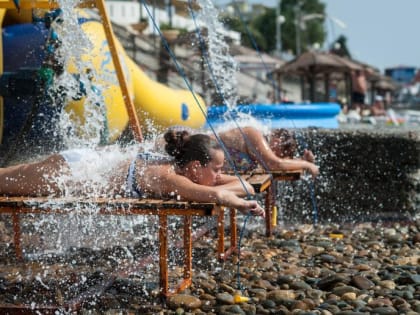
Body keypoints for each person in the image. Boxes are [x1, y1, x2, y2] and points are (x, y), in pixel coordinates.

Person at [0, 130, 265, 217]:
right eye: (216, 169)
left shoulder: (179, 170)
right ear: (196, 167)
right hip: (67, 174)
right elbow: (216, 194)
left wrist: (244, 191)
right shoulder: (168, 177)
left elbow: (241, 185)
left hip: (81, 164)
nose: (220, 175)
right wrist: (243, 202)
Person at [156, 126, 319, 178]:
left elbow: (275, 162)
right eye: (285, 150)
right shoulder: (254, 134)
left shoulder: (261, 147)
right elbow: (274, 163)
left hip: (193, 168)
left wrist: (298, 160)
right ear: (277, 140)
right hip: (177, 153)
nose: (284, 155)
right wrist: (305, 164)